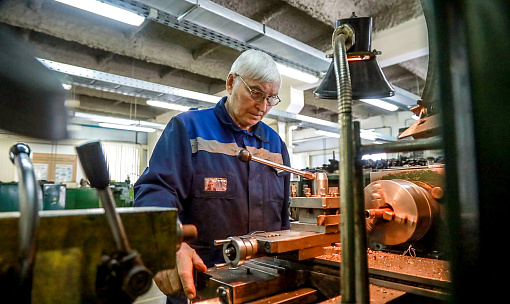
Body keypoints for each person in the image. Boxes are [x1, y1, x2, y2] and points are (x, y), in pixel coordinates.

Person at [133, 49, 291, 303]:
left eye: (271, 98)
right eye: (256, 93)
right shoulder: (189, 129)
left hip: (265, 286)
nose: (263, 107)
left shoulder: (275, 145)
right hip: (201, 286)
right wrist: (168, 245)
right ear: (231, 82)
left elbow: (283, 219)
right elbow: (156, 191)